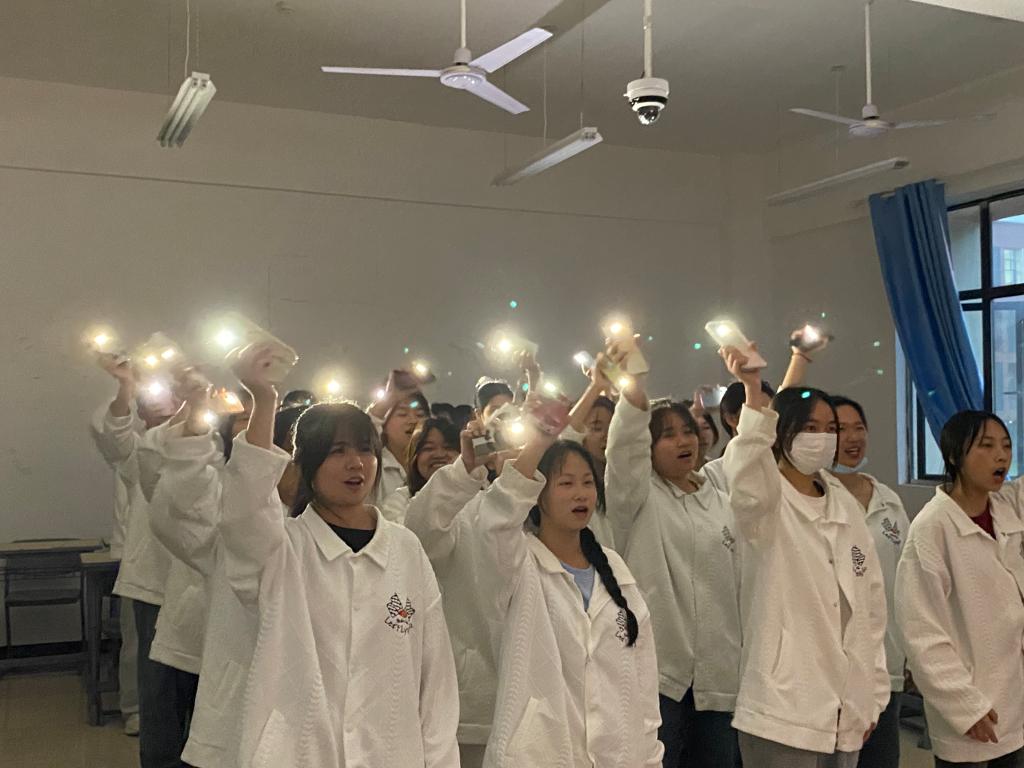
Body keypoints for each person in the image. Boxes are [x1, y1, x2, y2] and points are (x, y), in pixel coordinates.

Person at [218, 344, 459, 766]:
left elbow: (434, 674)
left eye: (365, 449)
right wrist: (265, 399)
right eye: (337, 451)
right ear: (307, 465)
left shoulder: (404, 548)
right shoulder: (282, 549)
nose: (356, 464)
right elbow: (246, 505)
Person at [721, 345, 888, 768]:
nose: (824, 437)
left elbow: (870, 607)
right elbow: (746, 472)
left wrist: (871, 691)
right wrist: (753, 390)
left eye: (831, 428)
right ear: (783, 431)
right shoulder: (767, 500)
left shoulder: (843, 504)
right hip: (784, 707)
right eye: (810, 427)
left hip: (847, 707)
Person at [471, 407, 663, 766]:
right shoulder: (517, 562)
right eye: (566, 483)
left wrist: (650, 756)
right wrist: (539, 442)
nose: (581, 494)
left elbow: (642, 675)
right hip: (540, 754)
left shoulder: (614, 568)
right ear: (537, 492)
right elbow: (496, 518)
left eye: (587, 483)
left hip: (618, 756)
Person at [603, 343, 742, 768]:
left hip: (719, 675)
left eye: (688, 431)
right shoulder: (637, 498)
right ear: (647, 446)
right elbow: (622, 452)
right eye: (666, 435)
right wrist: (634, 388)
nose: (683, 441)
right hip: (660, 675)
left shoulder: (720, 501)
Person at [895, 411, 1024, 768]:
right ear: (954, 455)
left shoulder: (1005, 507)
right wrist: (964, 706)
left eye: (1006, 446)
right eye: (987, 446)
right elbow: (920, 632)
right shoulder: (932, 529)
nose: (1001, 456)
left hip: (1013, 703)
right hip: (969, 708)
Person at [829, 395, 910, 768]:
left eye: (858, 427)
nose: (852, 437)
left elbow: (906, 580)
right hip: (835, 669)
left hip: (886, 663)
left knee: (882, 758)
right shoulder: (816, 500)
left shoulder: (888, 500)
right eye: (840, 429)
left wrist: (908, 652)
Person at [381, 417, 460, 524]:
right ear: (415, 457)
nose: (439, 454)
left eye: (448, 447)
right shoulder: (397, 502)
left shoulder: (475, 496)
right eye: (429, 448)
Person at [368, 370, 430, 501]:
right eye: (402, 414)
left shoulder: (434, 463)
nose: (413, 420)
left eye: (420, 415)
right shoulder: (374, 464)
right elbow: (360, 435)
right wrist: (387, 402)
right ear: (383, 425)